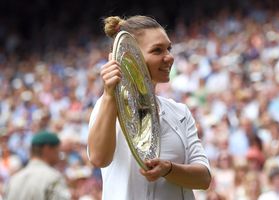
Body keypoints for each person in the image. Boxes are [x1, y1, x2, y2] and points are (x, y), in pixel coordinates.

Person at [87, 15, 212, 200]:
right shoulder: (108, 106)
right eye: (157, 50)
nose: (169, 57)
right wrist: (109, 96)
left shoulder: (180, 112)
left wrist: (169, 169)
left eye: (169, 48)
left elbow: (204, 178)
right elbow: (99, 158)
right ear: (131, 57)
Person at [4, 131, 71, 200]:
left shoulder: (14, 179)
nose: (58, 155)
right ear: (47, 149)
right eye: (57, 150)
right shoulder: (53, 177)